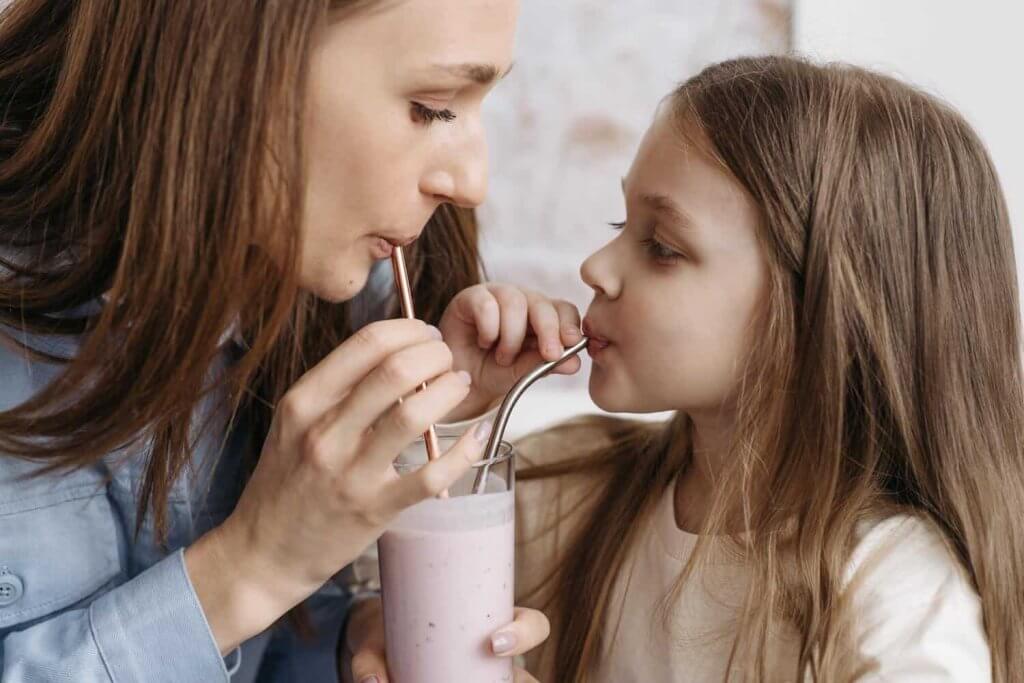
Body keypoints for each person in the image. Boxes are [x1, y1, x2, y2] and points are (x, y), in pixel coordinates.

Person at [349, 55, 1024, 682]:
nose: (595, 267)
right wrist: (454, 407)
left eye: (663, 247)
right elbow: (355, 575)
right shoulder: (574, 485)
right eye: (619, 225)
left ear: (821, 311)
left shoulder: (895, 592)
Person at [0, 1, 570, 680]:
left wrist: (349, 640)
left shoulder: (321, 282)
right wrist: (253, 567)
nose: (472, 184)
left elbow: (264, 646)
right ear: (231, 52)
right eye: (431, 107)